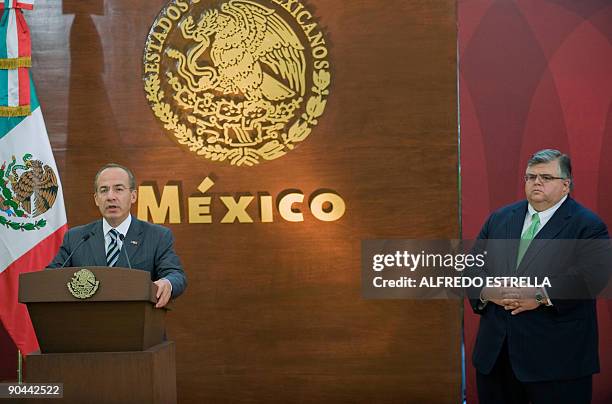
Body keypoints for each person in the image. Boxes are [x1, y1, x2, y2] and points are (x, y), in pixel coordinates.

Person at [471, 149, 610, 404]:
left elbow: (593, 278)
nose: (537, 182)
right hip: (497, 358)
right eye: (531, 176)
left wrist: (539, 294)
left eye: (546, 177)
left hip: (556, 362)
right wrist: (487, 290)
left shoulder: (588, 225)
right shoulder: (500, 218)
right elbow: (469, 268)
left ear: (566, 185)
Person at [48, 163, 186, 308]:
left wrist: (167, 283)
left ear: (133, 196)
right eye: (104, 190)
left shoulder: (157, 236)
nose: (110, 197)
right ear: (96, 199)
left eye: (119, 189)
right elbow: (50, 277)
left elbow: (176, 275)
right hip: (88, 325)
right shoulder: (76, 237)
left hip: (138, 325)